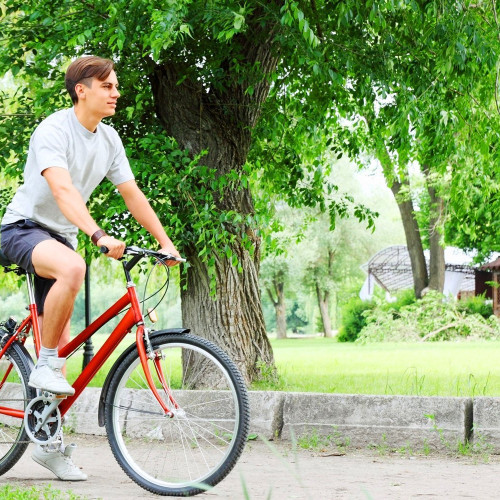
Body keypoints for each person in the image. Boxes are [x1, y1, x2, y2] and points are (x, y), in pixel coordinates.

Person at [0, 56, 181, 481]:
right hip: (21, 228)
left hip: (58, 238)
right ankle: (41, 362)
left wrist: (165, 242)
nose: (117, 93)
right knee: (74, 267)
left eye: (116, 86)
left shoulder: (110, 140)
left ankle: (47, 442)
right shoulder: (54, 130)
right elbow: (62, 189)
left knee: (62, 341)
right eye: (108, 86)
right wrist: (99, 235)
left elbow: (131, 194)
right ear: (82, 89)